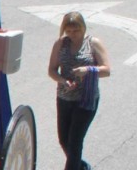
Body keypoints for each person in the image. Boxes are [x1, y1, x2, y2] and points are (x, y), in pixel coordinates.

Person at [48, 11, 111, 170]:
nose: (72, 35)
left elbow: (107, 70)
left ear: (83, 28)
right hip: (64, 97)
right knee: (64, 140)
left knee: (75, 141)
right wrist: (63, 81)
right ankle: (82, 167)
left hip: (86, 99)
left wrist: (88, 70)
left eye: (76, 31)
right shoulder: (60, 44)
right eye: (68, 31)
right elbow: (52, 70)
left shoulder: (93, 43)